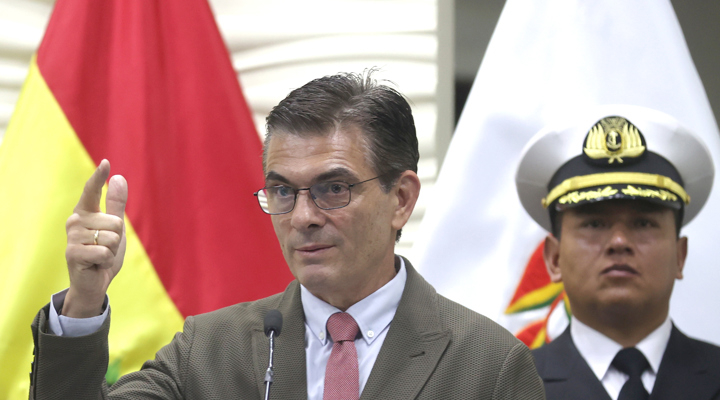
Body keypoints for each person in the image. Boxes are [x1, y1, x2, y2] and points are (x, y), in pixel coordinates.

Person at [29, 72, 544, 399]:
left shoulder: (487, 364)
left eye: (333, 189)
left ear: (402, 199)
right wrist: (84, 301)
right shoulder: (211, 350)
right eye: (282, 191)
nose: (302, 217)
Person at [515, 104, 720, 400]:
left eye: (643, 223)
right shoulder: (509, 388)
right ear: (554, 258)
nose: (619, 241)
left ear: (680, 255)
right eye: (595, 223)